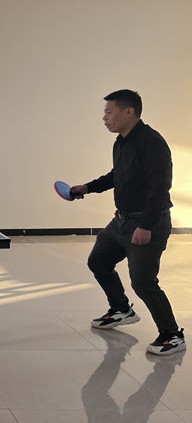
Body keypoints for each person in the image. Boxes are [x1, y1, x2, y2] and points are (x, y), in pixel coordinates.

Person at [70, 89, 184, 356]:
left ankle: (172, 335)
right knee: (98, 261)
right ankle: (121, 309)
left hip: (148, 222)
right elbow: (117, 175)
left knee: (143, 282)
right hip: (121, 221)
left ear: (129, 111)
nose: (105, 118)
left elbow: (160, 187)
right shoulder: (121, 142)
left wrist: (146, 225)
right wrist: (88, 187)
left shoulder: (151, 142)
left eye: (109, 112)